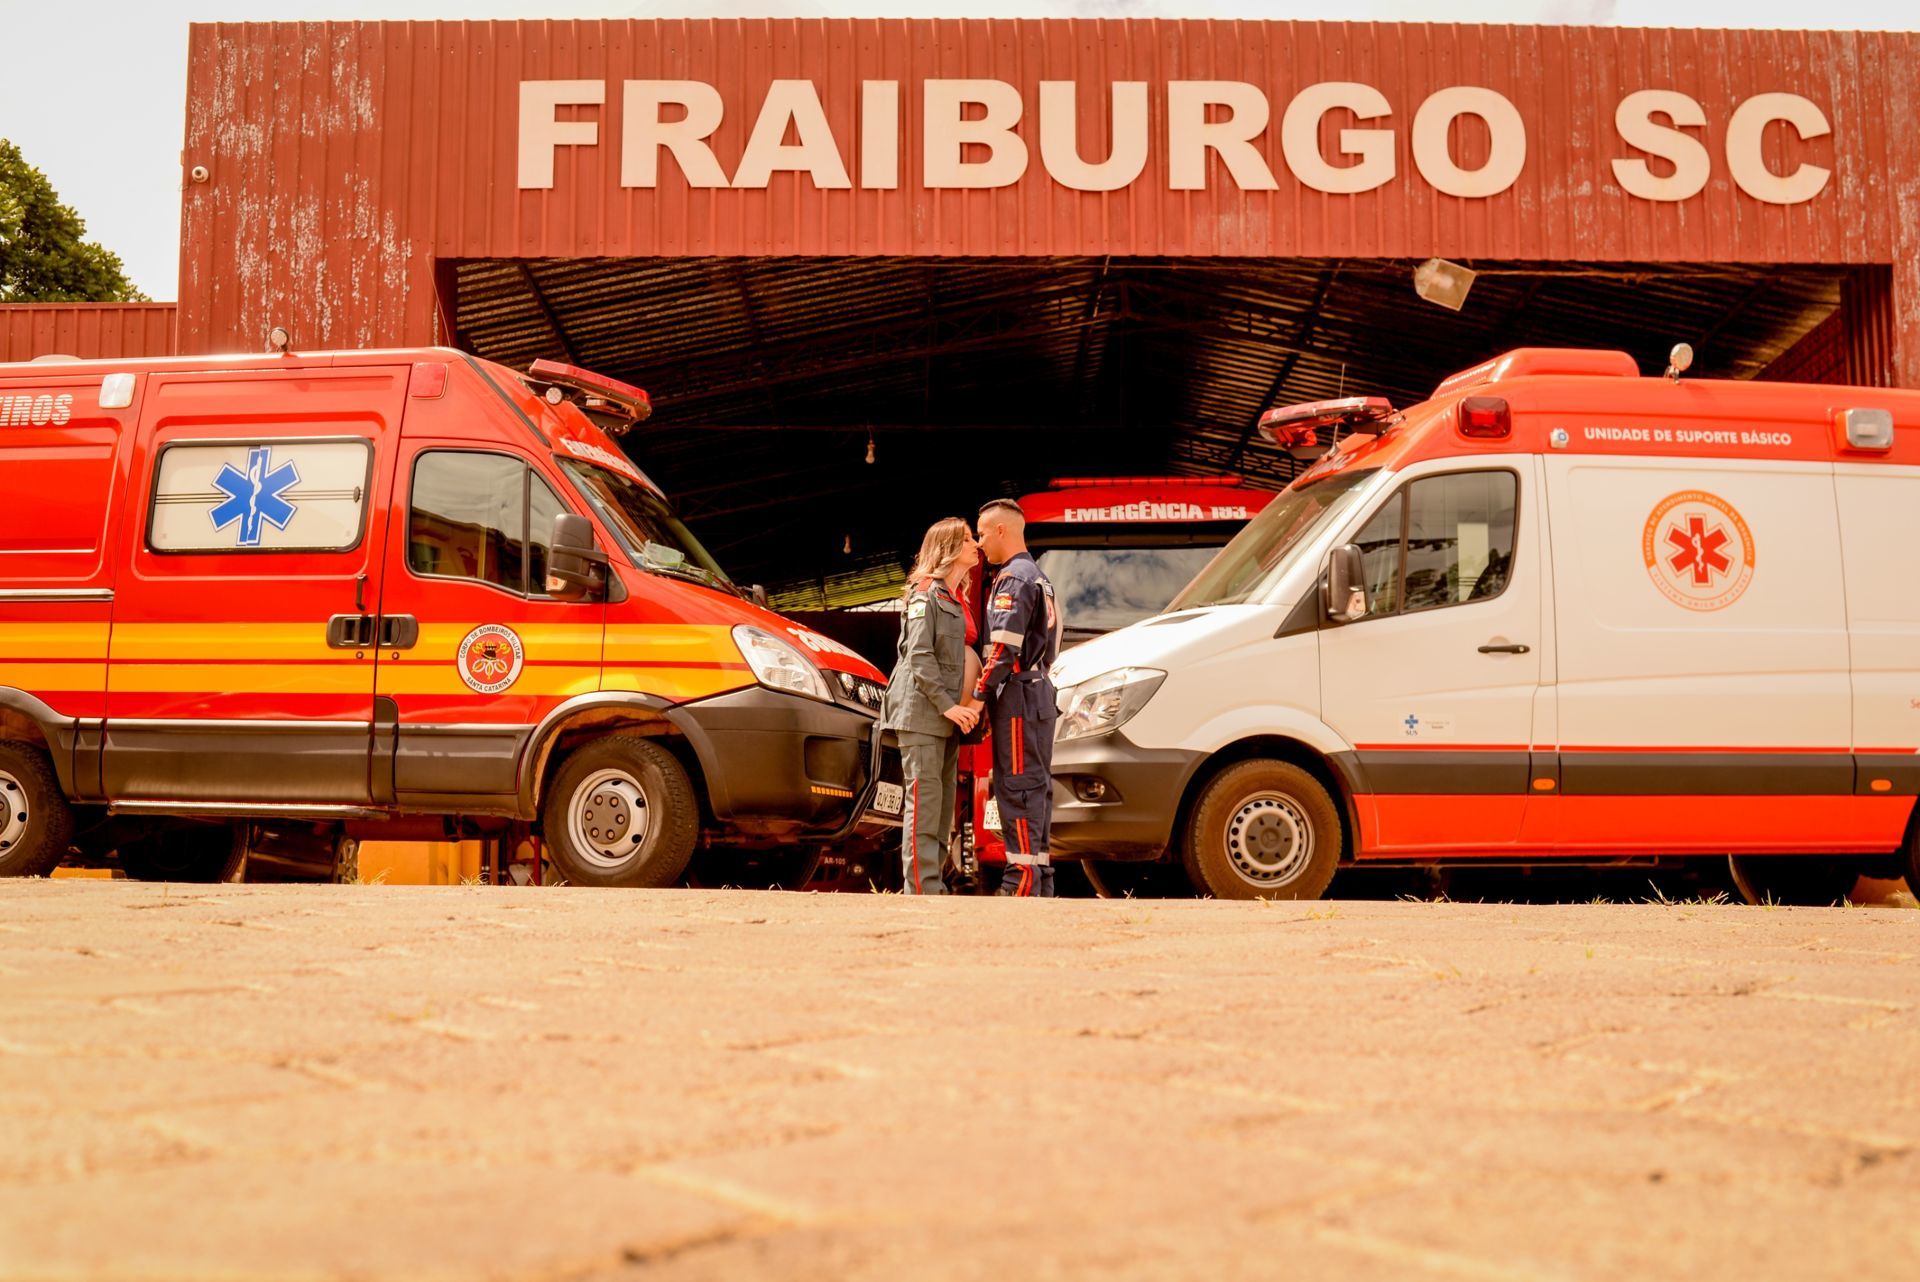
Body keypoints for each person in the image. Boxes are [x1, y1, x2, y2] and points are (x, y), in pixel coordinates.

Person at [963, 498, 1063, 897]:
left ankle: (1019, 882)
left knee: (1019, 787)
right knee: (1035, 789)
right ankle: (1038, 880)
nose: (980, 543)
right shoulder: (1039, 576)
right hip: (1037, 690)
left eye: (982, 533)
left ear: (1001, 530)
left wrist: (978, 696)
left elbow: (1004, 648)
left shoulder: (1013, 578)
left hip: (1020, 694)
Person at [878, 517, 981, 894]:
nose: (976, 544)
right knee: (924, 803)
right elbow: (919, 656)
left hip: (946, 715)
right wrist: (947, 706)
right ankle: (921, 889)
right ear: (948, 548)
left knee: (941, 806)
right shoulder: (925, 594)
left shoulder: (955, 596)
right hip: (924, 713)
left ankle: (933, 885)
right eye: (967, 539)